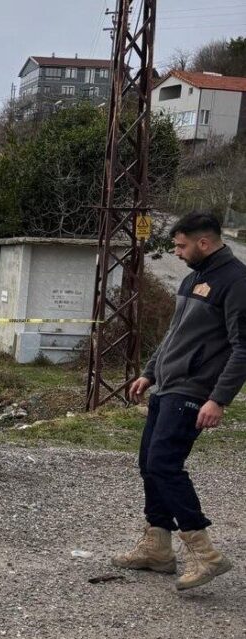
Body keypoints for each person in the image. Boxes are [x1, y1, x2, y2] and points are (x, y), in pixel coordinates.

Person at [114, 210, 242, 591]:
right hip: (167, 386)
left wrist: (218, 399)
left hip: (194, 390)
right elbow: (174, 335)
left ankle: (206, 554)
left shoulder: (236, 282)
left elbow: (243, 347)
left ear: (204, 242)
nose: (178, 252)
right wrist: (150, 371)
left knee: (164, 465)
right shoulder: (192, 279)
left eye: (182, 246)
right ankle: (157, 547)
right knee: (149, 464)